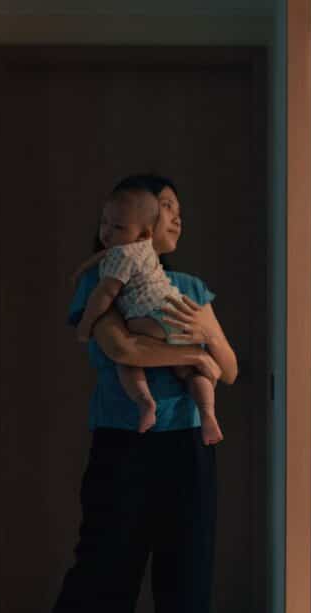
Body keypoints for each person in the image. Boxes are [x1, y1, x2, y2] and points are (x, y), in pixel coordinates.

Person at [39, 174, 238, 613]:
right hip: (123, 441)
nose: (176, 217)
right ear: (142, 225)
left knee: (189, 575)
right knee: (100, 561)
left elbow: (229, 369)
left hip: (188, 445)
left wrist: (207, 340)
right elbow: (122, 350)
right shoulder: (101, 281)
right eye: (166, 207)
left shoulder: (192, 288)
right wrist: (194, 351)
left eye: (178, 208)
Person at [73, 185, 223, 445]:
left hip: (178, 426)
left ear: (145, 231)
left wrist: (86, 324)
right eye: (166, 205)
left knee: (129, 361)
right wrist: (199, 355)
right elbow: (105, 255)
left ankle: (145, 402)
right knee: (191, 373)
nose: (175, 218)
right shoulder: (139, 257)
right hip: (126, 425)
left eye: (117, 226)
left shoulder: (120, 261)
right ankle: (208, 414)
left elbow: (123, 346)